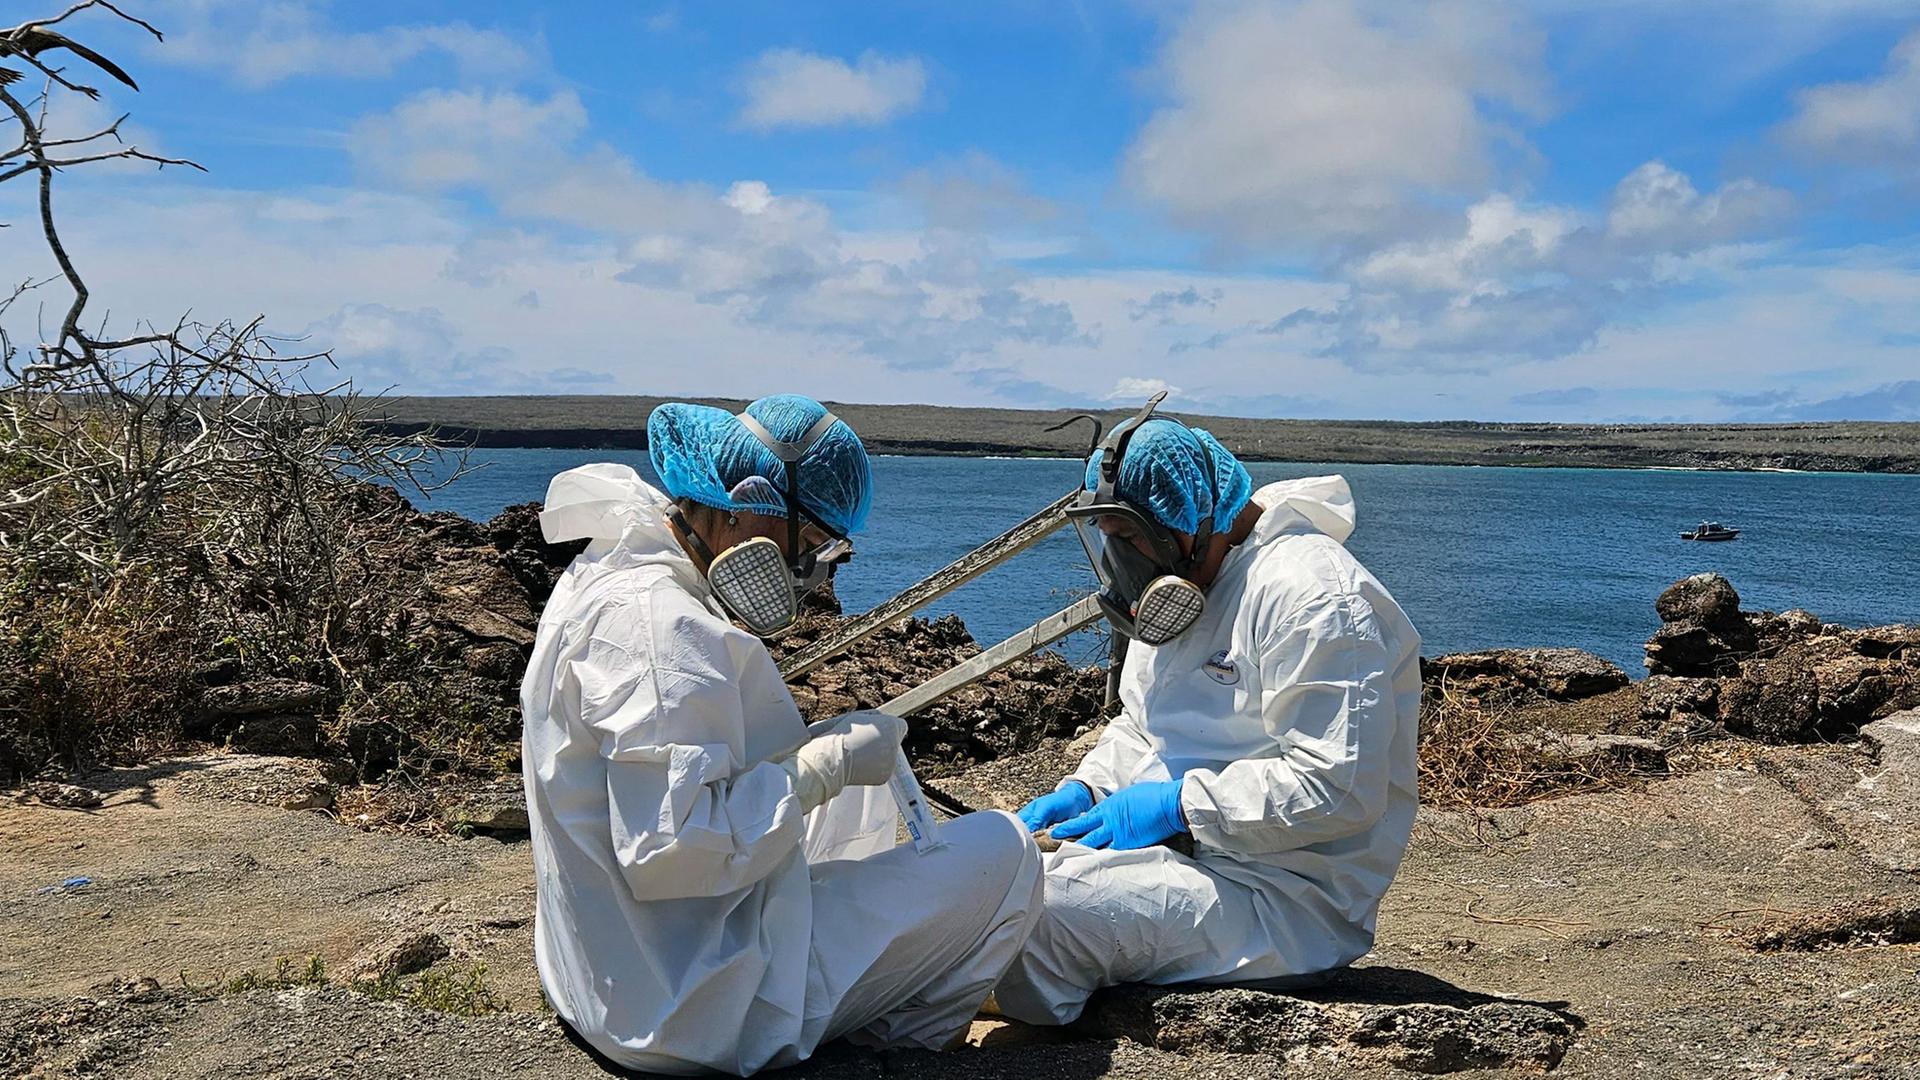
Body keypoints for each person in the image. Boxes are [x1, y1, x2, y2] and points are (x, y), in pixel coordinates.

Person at [521, 394, 1042, 1076]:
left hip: (621, 972)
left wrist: (825, 763)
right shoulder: (661, 627)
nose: (816, 571)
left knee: (853, 781)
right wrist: (820, 768)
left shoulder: (621, 565)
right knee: (1006, 851)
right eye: (816, 543)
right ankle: (898, 1034)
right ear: (752, 504)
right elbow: (668, 851)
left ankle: (849, 974)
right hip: (692, 1010)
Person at [992, 400, 1422, 1025]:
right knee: (981, 883)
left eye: (1131, 538)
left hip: (1280, 894)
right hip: (1192, 854)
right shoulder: (1186, 584)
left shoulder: (1315, 598)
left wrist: (1178, 807)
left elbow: (1339, 788)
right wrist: (1090, 786)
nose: (1124, 563)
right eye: (1110, 540)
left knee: (1040, 921)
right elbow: (1144, 721)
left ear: (1189, 519)